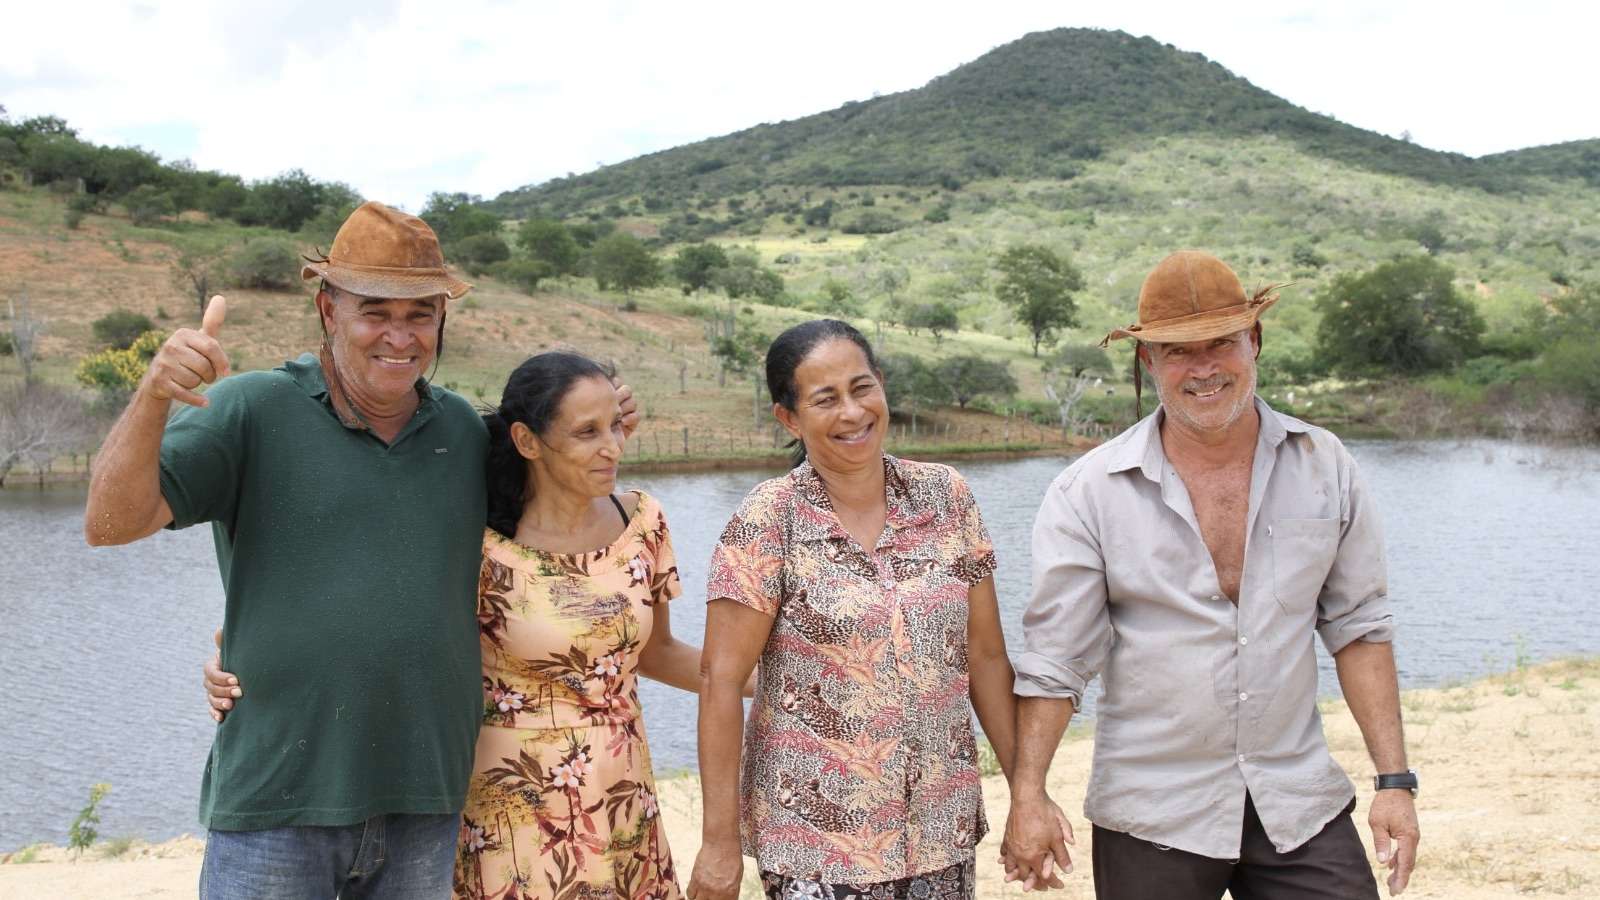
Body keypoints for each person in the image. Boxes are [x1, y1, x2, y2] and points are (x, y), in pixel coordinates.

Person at [86, 202, 636, 899]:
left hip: (427, 802)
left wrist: (603, 416)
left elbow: (556, 502)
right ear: (327, 308)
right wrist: (154, 394)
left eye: (421, 315)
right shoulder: (250, 409)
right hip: (276, 802)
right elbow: (108, 523)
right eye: (376, 311)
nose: (400, 337)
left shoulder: (464, 432)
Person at [1003, 250, 1421, 899]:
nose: (1203, 369)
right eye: (1177, 351)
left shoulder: (1325, 466)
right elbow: (1056, 660)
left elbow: (1359, 629)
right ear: (1148, 361)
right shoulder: (1087, 492)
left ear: (1254, 342)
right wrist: (1028, 797)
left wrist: (1394, 782)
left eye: (1221, 343)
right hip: (1152, 810)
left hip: (1297, 800)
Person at [686, 319, 1056, 900]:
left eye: (862, 388)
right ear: (789, 418)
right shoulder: (768, 520)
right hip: (817, 844)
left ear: (882, 386)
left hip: (940, 829)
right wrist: (718, 843)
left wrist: (1026, 795)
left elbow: (984, 657)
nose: (853, 413)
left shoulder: (946, 497)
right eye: (825, 399)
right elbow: (720, 681)